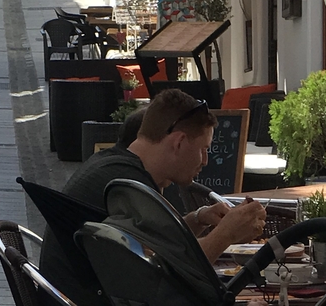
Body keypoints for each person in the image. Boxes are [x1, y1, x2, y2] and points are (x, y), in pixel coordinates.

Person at [39, 90, 266, 306]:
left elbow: (158, 245)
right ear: (178, 142)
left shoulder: (113, 165)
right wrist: (226, 234)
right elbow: (178, 275)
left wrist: (199, 218)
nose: (205, 160)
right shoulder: (128, 185)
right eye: (203, 149)